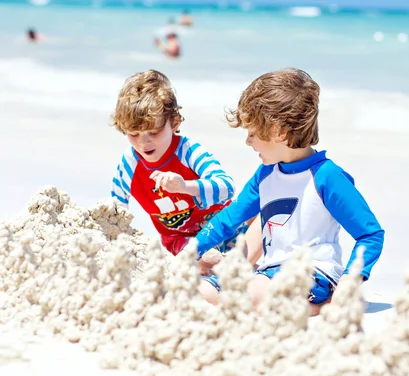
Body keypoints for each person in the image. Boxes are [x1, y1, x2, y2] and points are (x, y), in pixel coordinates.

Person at [195, 67, 385, 314]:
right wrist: (191, 251)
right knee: (200, 293)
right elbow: (229, 219)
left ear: (278, 131)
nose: (248, 141)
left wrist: (350, 280)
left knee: (249, 298)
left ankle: (319, 307)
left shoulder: (327, 177)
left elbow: (370, 234)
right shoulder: (265, 174)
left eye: (252, 133)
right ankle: (305, 306)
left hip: (312, 272)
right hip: (268, 270)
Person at [109, 69, 260, 261]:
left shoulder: (188, 151)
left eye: (153, 132)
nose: (143, 142)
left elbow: (227, 187)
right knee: (208, 260)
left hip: (224, 227)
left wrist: (185, 186)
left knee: (262, 215)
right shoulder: (129, 165)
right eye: (134, 134)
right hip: (183, 240)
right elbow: (115, 213)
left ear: (174, 122)